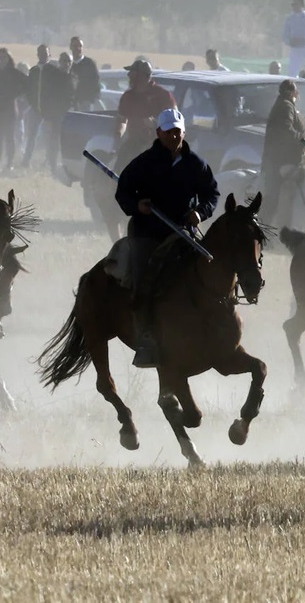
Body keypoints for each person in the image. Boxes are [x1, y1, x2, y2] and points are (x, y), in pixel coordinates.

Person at [114, 108, 219, 368]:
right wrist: (138, 206)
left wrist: (200, 212)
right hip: (148, 233)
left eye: (177, 131)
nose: (174, 136)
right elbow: (123, 191)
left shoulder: (196, 164)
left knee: (210, 272)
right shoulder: (143, 162)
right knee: (143, 281)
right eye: (169, 131)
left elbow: (212, 195)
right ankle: (146, 339)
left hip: (183, 233)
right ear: (159, 132)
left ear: (184, 132)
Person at [260, 79, 305, 226]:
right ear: (293, 93)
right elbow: (285, 131)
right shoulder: (286, 106)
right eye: (296, 91)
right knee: (274, 196)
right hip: (281, 161)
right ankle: (263, 227)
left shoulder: (287, 106)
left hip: (288, 159)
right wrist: (302, 139)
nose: (298, 93)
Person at [113, 59, 176, 172]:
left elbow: (175, 121)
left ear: (141, 75)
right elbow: (122, 120)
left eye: (132, 72)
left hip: (158, 145)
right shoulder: (128, 96)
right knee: (119, 169)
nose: (128, 75)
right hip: (134, 143)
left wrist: (156, 122)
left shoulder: (163, 95)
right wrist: (118, 135)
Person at [0, 47, 27, 171]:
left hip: (9, 109)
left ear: (9, 58)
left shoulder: (14, 72)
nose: (2, 60)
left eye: (4, 57)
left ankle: (9, 163)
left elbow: (27, 83)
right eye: (0, 57)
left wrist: (15, 94)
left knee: (9, 136)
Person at [22, 44, 54, 167]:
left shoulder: (52, 70)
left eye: (45, 53)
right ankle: (26, 160)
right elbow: (29, 88)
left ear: (49, 55)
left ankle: (49, 161)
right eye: (41, 53)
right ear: (38, 55)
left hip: (49, 111)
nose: (43, 56)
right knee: (31, 136)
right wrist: (32, 102)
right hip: (35, 109)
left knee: (48, 137)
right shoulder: (34, 70)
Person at [69, 36, 102, 111]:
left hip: (85, 103)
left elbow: (96, 82)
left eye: (80, 46)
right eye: (75, 46)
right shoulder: (68, 63)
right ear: (70, 47)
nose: (78, 48)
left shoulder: (89, 63)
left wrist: (91, 99)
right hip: (70, 104)